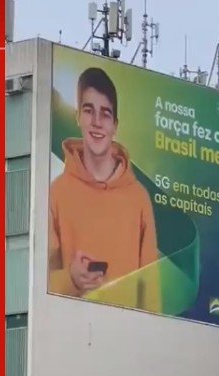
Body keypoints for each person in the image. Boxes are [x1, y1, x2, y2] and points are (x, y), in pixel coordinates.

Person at [48, 66, 160, 312]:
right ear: (78, 116)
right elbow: (39, 282)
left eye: (105, 114)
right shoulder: (56, 194)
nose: (97, 122)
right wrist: (71, 279)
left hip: (127, 340)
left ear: (115, 124)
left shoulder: (138, 197)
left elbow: (151, 291)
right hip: (71, 335)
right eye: (89, 111)